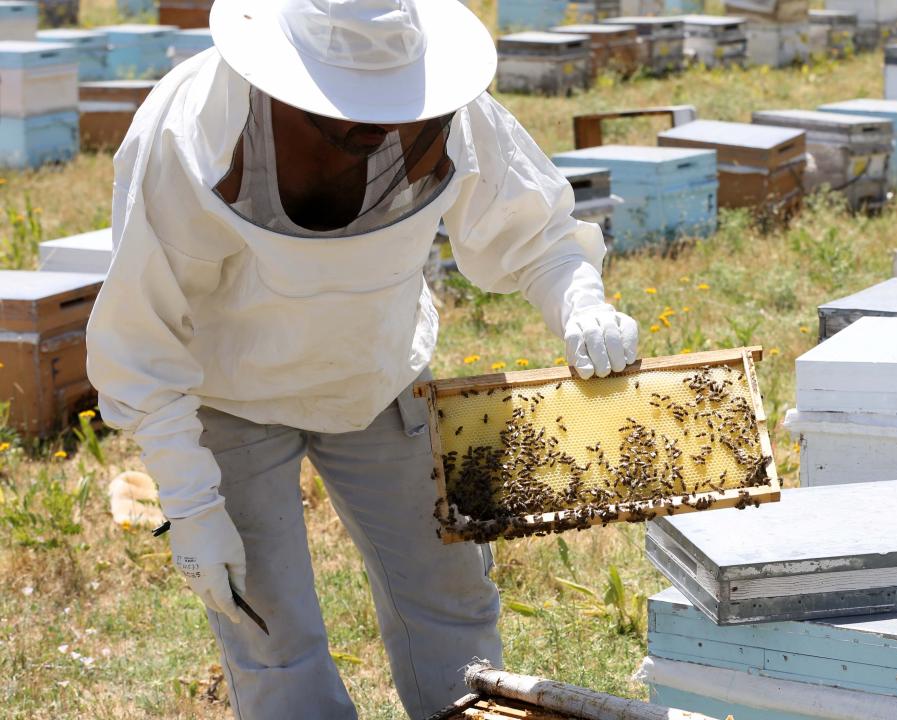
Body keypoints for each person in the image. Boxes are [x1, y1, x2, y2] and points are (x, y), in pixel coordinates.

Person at [84, 1, 639, 718]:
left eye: (390, 111)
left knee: (452, 599)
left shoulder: (446, 103)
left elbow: (535, 231)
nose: (375, 132)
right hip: (232, 397)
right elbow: (141, 333)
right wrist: (190, 503)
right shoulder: (188, 131)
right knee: (271, 630)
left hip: (380, 376)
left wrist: (583, 302)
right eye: (346, 117)